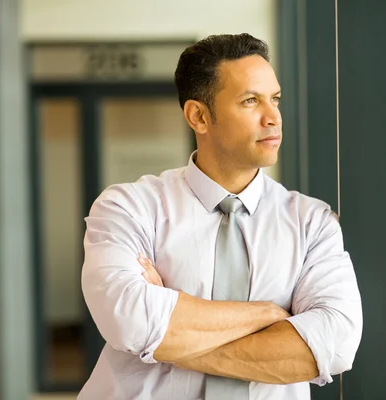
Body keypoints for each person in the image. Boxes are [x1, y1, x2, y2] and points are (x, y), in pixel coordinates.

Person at [79, 33, 362, 400]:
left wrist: (171, 327)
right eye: (250, 101)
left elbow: (336, 344)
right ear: (199, 116)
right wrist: (268, 315)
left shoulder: (312, 223)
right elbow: (127, 321)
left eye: (274, 99)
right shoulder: (128, 208)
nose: (273, 117)